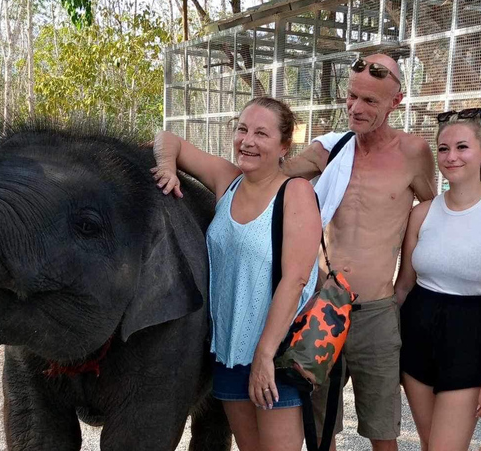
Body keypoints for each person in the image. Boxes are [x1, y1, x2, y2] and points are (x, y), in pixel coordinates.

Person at [282, 53, 436, 451]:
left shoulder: (414, 153)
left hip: (377, 311)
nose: (356, 108)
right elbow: (272, 178)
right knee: (318, 428)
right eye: (352, 97)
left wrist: (405, 285)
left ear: (395, 102)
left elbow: (431, 215)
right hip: (322, 306)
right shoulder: (329, 150)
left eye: (370, 101)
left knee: (383, 429)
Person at [152, 97, 322, 451]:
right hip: (228, 353)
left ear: (283, 146)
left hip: (276, 354)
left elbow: (295, 280)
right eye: (242, 129)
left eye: (261, 133)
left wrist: (264, 356)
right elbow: (167, 138)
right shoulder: (227, 180)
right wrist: (167, 167)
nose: (247, 140)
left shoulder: (296, 193)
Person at [394, 108, 481, 451]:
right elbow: (404, 286)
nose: (451, 157)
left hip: (471, 338)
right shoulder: (421, 213)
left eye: (462, 147)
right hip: (417, 335)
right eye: (443, 149)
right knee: (430, 444)